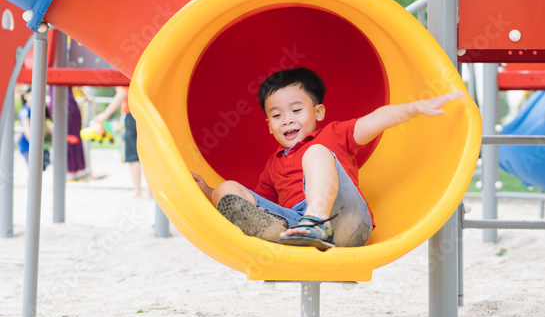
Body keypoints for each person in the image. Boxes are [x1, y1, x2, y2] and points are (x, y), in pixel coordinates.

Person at [192, 67, 464, 250]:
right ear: (269, 125)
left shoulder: (335, 135)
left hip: (345, 221)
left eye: (296, 110)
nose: (287, 119)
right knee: (228, 187)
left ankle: (316, 221)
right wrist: (208, 191)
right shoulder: (273, 164)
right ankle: (286, 234)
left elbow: (377, 119)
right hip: (295, 224)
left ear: (319, 112)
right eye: (276, 116)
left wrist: (415, 107)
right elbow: (257, 204)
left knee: (316, 152)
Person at [93, 86, 146, 198]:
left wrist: (106, 114)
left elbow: (122, 93)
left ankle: (138, 192)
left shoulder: (126, 73)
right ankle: (150, 193)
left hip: (131, 114)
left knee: (133, 156)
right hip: (146, 114)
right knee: (148, 155)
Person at [17, 86, 52, 170]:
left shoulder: (36, 110)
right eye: (32, 95)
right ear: (26, 96)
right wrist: (34, 144)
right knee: (33, 170)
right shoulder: (25, 111)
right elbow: (27, 129)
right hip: (27, 145)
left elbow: (43, 125)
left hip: (35, 144)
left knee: (37, 169)